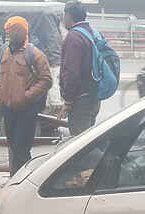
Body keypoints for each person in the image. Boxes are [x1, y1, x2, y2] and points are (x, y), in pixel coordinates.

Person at [0, 16, 52, 176]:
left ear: (25, 32)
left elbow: (46, 80)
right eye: (12, 30)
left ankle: (23, 181)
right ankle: (20, 180)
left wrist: (27, 96)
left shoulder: (35, 54)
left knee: (21, 148)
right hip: (7, 109)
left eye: (18, 30)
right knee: (14, 147)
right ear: (8, 32)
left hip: (26, 110)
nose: (14, 33)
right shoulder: (0, 53)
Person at [59, 0, 100, 136]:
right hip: (94, 97)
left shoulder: (74, 37)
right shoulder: (92, 33)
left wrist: (68, 101)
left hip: (80, 101)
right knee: (87, 139)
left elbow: (71, 73)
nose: (63, 19)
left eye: (64, 15)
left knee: (80, 146)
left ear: (69, 16)